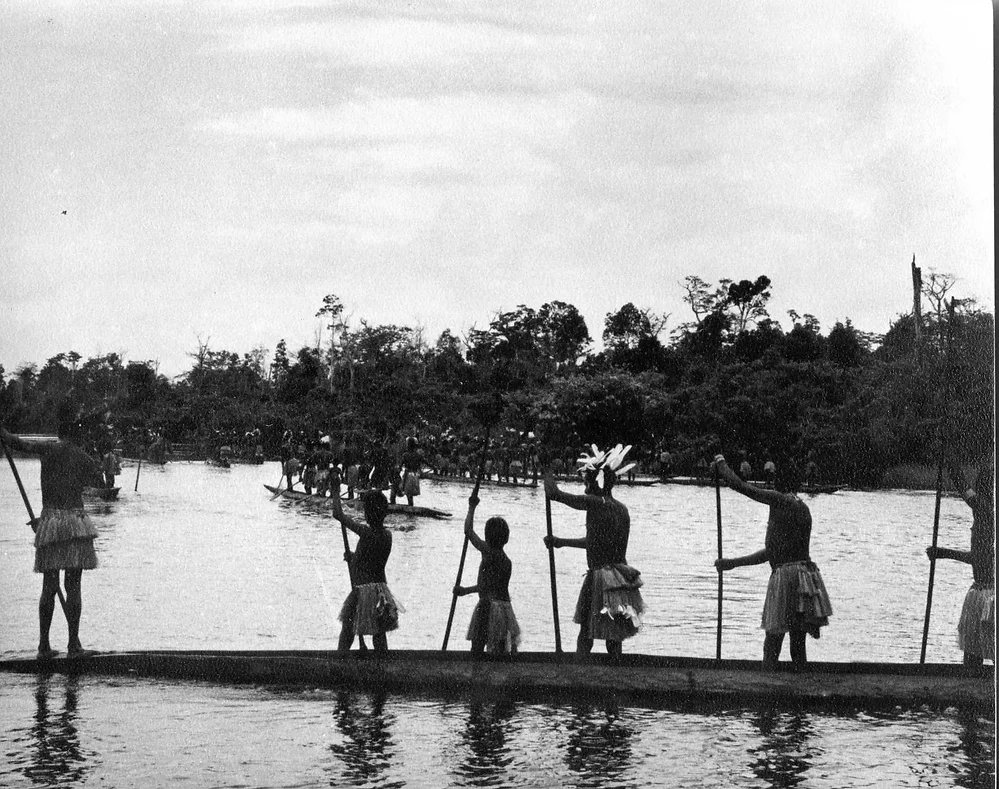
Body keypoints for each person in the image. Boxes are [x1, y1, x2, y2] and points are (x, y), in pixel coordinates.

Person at [1, 402, 104, 660]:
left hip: (50, 522)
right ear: (78, 434)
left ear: (59, 433)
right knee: (74, 586)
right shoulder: (83, 456)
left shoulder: (48, 450)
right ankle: (73, 645)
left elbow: (16, 443)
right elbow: (98, 483)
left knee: (49, 586)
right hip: (75, 523)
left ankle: (44, 646)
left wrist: (2, 433)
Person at [713, 453, 832, 670]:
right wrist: (732, 563)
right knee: (797, 642)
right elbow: (772, 552)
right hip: (804, 575)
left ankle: (767, 685)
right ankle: (799, 687)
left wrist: (721, 463)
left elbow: (740, 486)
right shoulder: (801, 506)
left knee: (773, 639)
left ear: (778, 483)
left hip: (786, 576)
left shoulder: (779, 500)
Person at [543, 444, 645, 658]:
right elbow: (597, 542)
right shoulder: (621, 508)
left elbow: (553, 494)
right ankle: (615, 669)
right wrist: (561, 542)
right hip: (621, 576)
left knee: (586, 631)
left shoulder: (595, 502)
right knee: (614, 633)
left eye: (586, 481)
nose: (584, 487)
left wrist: (546, 468)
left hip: (600, 576)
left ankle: (580, 671)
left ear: (594, 481)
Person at [926, 456, 994, 666]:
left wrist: (942, 553)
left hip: (987, 594)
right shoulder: (983, 510)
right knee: (974, 652)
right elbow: (965, 489)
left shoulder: (985, 510)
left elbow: (978, 559)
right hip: (981, 589)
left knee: (977, 653)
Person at [329, 486, 401, 652]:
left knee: (348, 627)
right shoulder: (387, 536)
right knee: (379, 632)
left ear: (368, 514)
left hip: (363, 590)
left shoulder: (366, 533)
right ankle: (382, 661)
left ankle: (341, 658)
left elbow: (337, 514)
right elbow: (371, 561)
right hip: (380, 591)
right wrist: (353, 557)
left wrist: (335, 492)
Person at [453, 494, 521, 655]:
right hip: (505, 609)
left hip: (488, 606)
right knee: (499, 650)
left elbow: (468, 531)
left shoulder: (488, 551)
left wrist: (471, 507)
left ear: (487, 537)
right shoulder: (507, 561)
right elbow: (493, 585)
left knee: (477, 647)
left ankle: (475, 673)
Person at [399, 437, 423, 507]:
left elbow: (400, 466)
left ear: (408, 445)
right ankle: (410, 507)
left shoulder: (405, 455)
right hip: (415, 476)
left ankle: (410, 508)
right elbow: (426, 462)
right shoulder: (418, 455)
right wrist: (434, 468)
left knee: (408, 495)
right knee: (410, 495)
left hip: (408, 475)